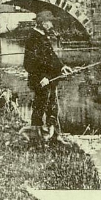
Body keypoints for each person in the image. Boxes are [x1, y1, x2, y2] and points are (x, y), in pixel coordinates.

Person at [23, 10, 73, 142]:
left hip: (49, 79)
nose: (51, 25)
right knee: (40, 107)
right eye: (50, 22)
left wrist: (62, 66)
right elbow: (28, 64)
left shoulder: (43, 37)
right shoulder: (33, 38)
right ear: (43, 23)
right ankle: (36, 137)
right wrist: (41, 78)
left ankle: (55, 136)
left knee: (52, 107)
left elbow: (51, 57)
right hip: (41, 81)